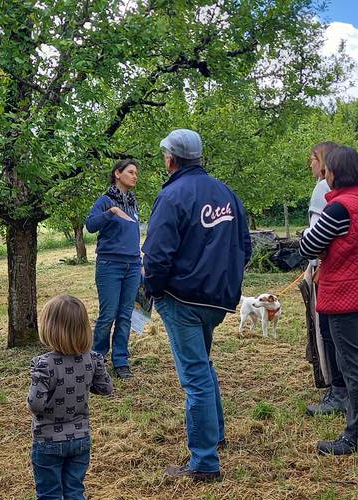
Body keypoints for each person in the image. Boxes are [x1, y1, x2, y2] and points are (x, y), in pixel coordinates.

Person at [143, 128, 252, 482]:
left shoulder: (172, 195)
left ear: (171, 159)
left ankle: (204, 462)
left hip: (182, 299)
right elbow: (244, 247)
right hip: (217, 299)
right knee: (203, 366)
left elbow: (156, 256)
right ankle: (214, 434)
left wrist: (153, 291)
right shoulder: (227, 193)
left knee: (195, 379)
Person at [298, 145, 358, 455]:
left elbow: (308, 246)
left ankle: (357, 437)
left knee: (353, 368)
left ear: (334, 173)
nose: (324, 175)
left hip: (344, 296)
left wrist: (315, 244)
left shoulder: (338, 209)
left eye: (326, 171)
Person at [28, 294, 114, 500]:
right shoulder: (92, 359)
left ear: (49, 329)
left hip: (48, 440)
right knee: (75, 491)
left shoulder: (44, 364)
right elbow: (106, 388)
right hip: (80, 439)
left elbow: (35, 404)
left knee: (50, 494)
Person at [85, 159, 142, 379]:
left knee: (126, 315)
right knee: (108, 315)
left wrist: (140, 261)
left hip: (133, 265)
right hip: (110, 265)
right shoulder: (105, 201)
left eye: (136, 173)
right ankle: (96, 361)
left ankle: (121, 361)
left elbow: (132, 235)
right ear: (117, 174)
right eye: (130, 172)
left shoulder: (134, 203)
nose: (135, 176)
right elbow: (90, 225)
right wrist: (112, 213)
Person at [303, 141, 348, 416]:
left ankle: (338, 389)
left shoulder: (323, 188)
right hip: (332, 268)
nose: (310, 164)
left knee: (327, 333)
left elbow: (320, 234)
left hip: (325, 269)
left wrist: (315, 264)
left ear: (324, 162)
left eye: (313, 158)